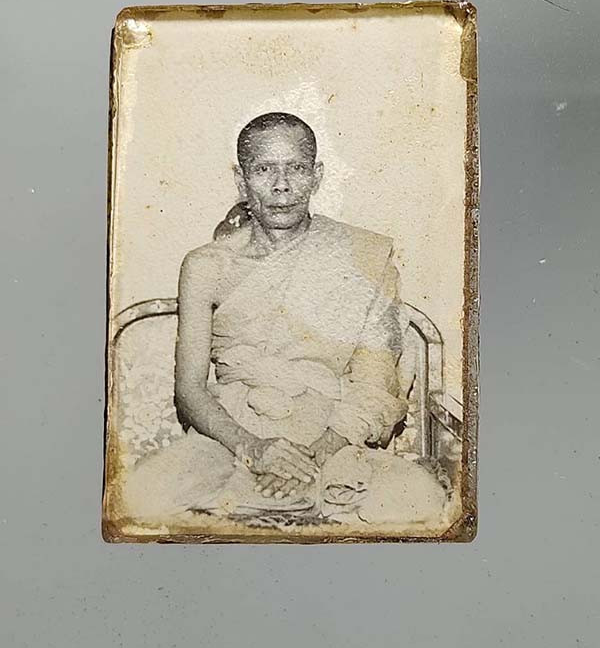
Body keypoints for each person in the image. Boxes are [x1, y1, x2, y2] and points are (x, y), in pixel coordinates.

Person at [123, 112, 447, 525]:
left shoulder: (364, 256)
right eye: (264, 170)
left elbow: (374, 384)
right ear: (242, 180)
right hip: (230, 437)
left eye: (296, 168)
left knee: (421, 498)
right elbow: (190, 390)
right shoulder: (206, 266)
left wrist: (310, 458)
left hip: (330, 436)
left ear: (316, 176)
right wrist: (253, 449)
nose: (281, 186)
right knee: (140, 498)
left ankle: (282, 496)